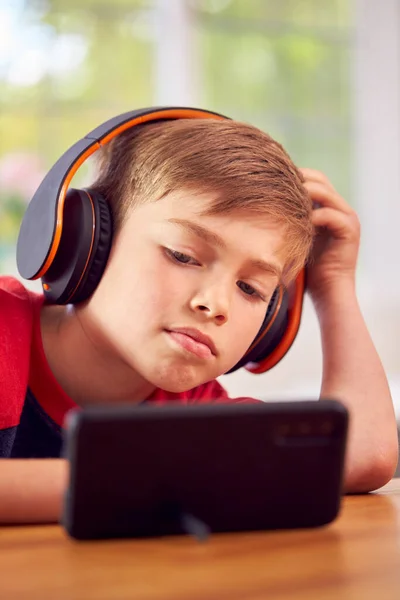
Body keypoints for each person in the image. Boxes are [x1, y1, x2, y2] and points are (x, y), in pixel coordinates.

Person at [0, 116, 398, 524]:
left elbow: (365, 455)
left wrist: (333, 283)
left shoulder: (195, 412)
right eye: (183, 256)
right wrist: (167, 482)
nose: (216, 304)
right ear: (83, 244)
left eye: (251, 288)